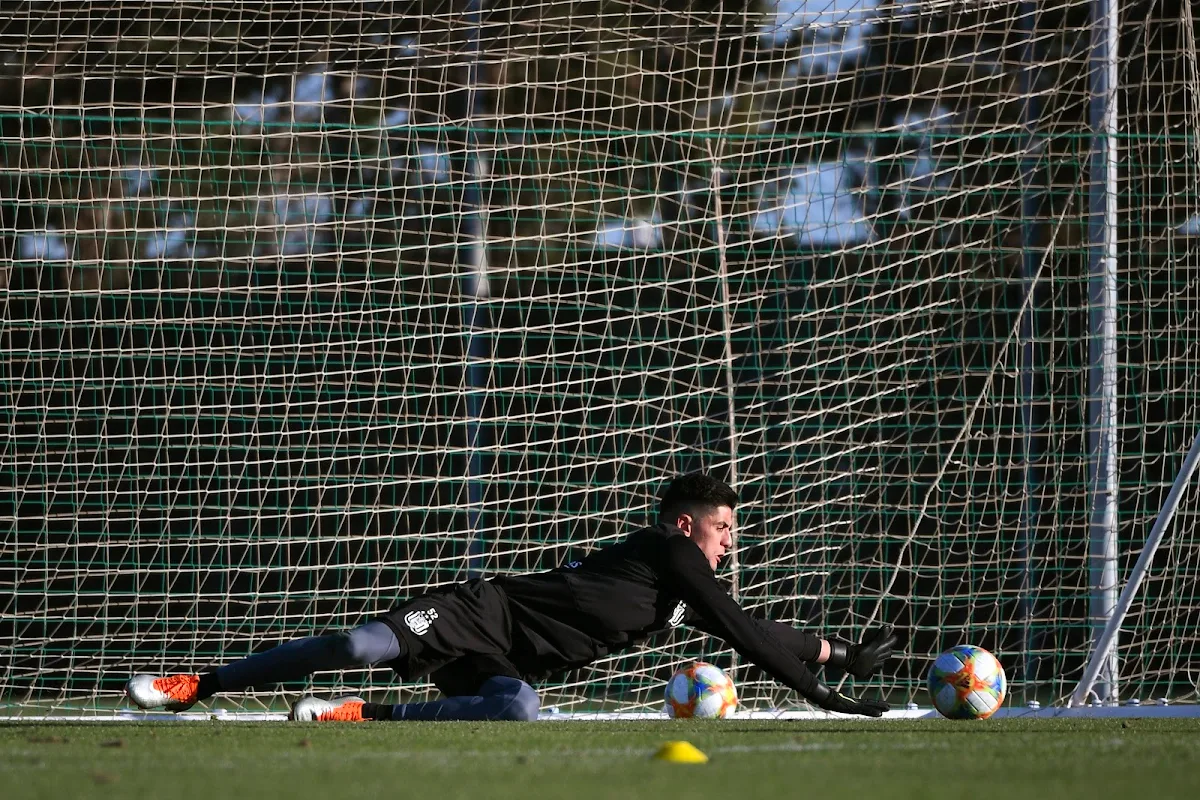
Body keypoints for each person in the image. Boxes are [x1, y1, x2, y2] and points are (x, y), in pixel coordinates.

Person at [125, 472, 899, 721]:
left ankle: (364, 713)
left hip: (509, 658)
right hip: (483, 609)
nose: (729, 541)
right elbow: (740, 630)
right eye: (723, 528)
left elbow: (759, 629)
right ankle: (202, 682)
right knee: (358, 644)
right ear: (685, 524)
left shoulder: (680, 588)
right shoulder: (670, 555)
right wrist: (823, 697)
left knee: (519, 708)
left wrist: (842, 655)